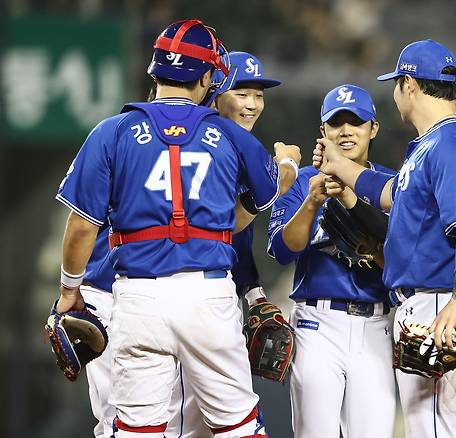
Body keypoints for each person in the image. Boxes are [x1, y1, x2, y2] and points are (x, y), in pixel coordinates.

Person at [54, 19, 300, 438]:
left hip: (138, 295)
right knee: (239, 426)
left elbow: (80, 228)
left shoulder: (111, 132)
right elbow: (253, 205)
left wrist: (68, 292)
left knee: (137, 429)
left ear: (155, 72)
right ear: (207, 77)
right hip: (207, 294)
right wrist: (289, 168)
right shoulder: (230, 135)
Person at [312, 40, 456, 438]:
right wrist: (340, 165)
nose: (395, 92)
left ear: (409, 84)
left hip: (440, 303)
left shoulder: (451, 142)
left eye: (396, 83)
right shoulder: (432, 144)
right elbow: (394, 194)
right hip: (431, 300)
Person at [267, 84, 396, 438]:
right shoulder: (304, 181)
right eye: (336, 123)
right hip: (317, 325)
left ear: (373, 128)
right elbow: (282, 251)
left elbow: (403, 256)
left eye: (355, 122)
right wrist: (311, 203)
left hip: (375, 325)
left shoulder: (389, 184)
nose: (345, 131)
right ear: (323, 131)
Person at [167, 50, 283, 438]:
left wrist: (252, 293)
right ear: (214, 93)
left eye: (259, 94)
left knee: (205, 423)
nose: (251, 104)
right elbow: (225, 227)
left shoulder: (235, 147)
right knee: (185, 421)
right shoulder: (200, 145)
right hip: (183, 291)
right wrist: (284, 174)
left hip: (209, 295)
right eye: (241, 92)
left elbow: (239, 238)